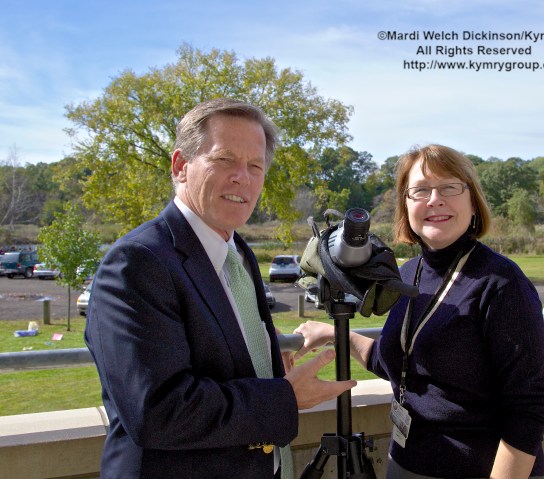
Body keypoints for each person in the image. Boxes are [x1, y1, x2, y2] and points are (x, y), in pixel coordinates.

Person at [84, 98, 356, 479]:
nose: (242, 177)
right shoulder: (136, 262)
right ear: (181, 166)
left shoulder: (236, 249)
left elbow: (216, 335)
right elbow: (157, 411)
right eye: (224, 160)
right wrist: (285, 398)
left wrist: (264, 347)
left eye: (255, 166)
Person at [294, 144, 544, 478]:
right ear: (406, 206)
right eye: (421, 190)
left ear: (472, 202)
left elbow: (529, 408)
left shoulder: (501, 284)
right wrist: (331, 333)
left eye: (449, 187)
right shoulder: (407, 274)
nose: (434, 200)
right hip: (405, 462)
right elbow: (401, 364)